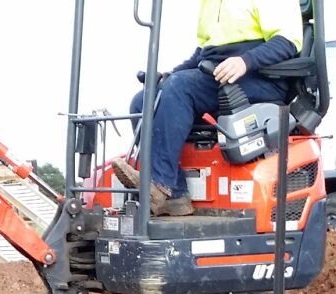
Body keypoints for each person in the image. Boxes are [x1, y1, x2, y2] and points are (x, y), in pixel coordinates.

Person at [117, 0, 304, 216]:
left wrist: (245, 61)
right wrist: (170, 75)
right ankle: (175, 194)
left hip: (259, 76)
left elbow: (289, 42)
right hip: (218, 74)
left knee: (179, 88)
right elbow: (204, 54)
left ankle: (159, 183)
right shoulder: (210, 3)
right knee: (143, 100)